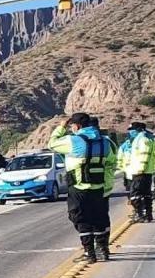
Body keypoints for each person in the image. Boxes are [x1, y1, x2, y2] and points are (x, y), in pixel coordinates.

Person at [49, 113, 117, 263]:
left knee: (80, 218)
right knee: (100, 218)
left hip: (79, 188)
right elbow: (111, 163)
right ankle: (103, 249)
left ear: (77, 126)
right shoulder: (105, 142)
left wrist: (61, 127)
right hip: (99, 187)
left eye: (72, 125)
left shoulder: (74, 141)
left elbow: (52, 143)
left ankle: (89, 252)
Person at [125, 122, 155, 223]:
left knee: (135, 194)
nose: (130, 132)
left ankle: (140, 214)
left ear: (137, 130)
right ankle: (148, 214)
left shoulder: (142, 139)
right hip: (145, 171)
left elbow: (145, 154)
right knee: (146, 194)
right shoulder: (144, 138)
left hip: (140, 171)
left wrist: (141, 168)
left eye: (132, 130)